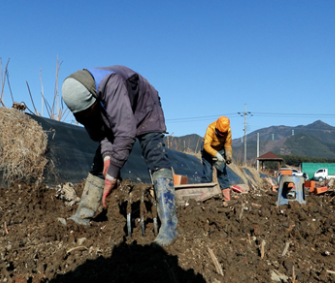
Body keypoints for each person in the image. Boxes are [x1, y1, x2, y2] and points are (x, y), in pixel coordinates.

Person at [61, 65, 177, 246]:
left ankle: (169, 226)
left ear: (93, 97)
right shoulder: (82, 106)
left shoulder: (111, 85)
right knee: (100, 159)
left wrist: (113, 172)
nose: (86, 115)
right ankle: (82, 215)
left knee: (156, 156)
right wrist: (108, 158)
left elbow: (125, 133)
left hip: (145, 107)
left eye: (89, 110)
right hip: (118, 109)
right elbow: (103, 134)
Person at [200, 116, 232, 199]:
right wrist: (216, 154)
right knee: (207, 172)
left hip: (220, 149)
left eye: (223, 134)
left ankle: (226, 196)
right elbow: (206, 146)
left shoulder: (228, 131)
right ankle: (204, 195)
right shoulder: (211, 128)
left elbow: (227, 145)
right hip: (208, 148)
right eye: (220, 133)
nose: (222, 135)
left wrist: (228, 156)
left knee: (222, 172)